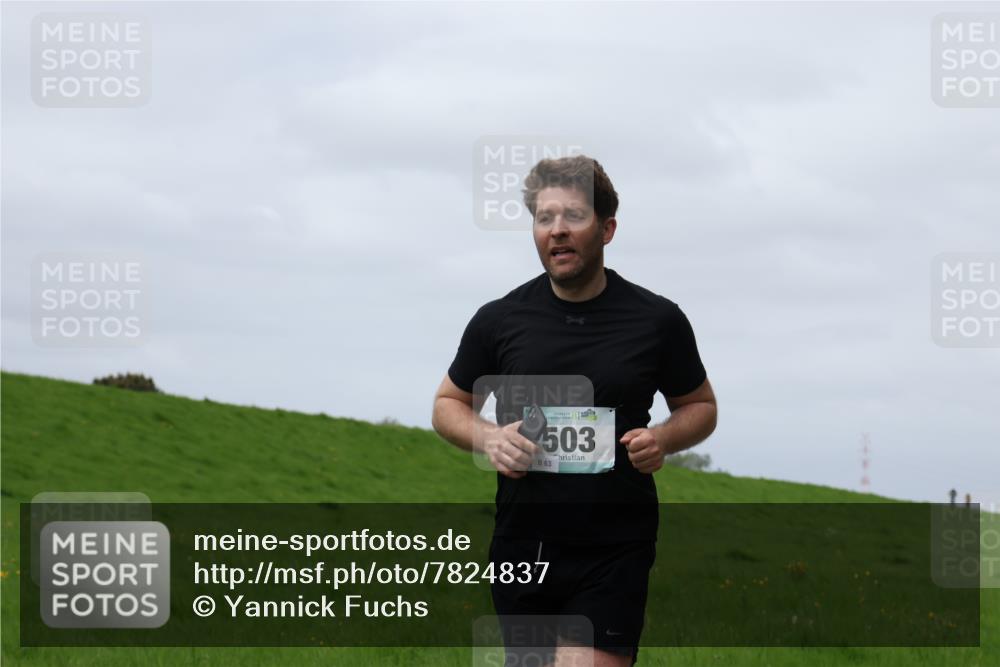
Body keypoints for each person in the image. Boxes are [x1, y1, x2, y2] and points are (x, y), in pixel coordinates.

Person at [432, 155, 718, 666]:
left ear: (606, 229)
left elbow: (699, 406)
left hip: (614, 543)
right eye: (545, 219)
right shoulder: (499, 320)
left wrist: (665, 439)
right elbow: (449, 404)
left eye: (573, 217)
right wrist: (489, 439)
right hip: (523, 545)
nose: (557, 231)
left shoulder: (656, 321)